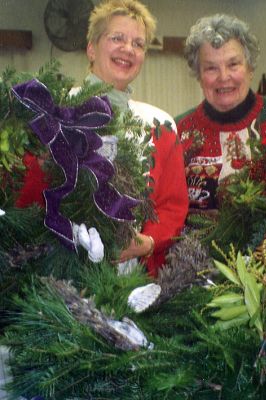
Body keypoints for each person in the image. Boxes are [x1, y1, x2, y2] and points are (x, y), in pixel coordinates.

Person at [18, 0, 188, 277]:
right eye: (117, 38)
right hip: (55, 276)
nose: (128, 49)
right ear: (91, 48)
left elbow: (172, 206)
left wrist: (147, 243)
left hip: (131, 284)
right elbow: (26, 198)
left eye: (138, 43)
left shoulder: (160, 125)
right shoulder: (53, 110)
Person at [176, 14, 266, 210]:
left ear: (250, 68)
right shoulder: (176, 132)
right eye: (211, 68)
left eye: (233, 64)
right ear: (198, 75)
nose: (224, 77)